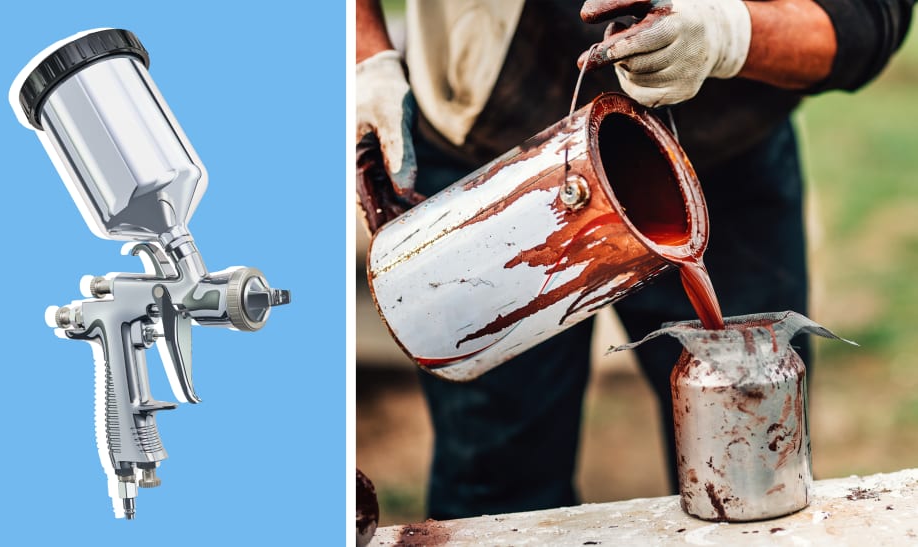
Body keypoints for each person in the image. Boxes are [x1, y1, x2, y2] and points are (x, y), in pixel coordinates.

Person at [357, 0, 914, 520]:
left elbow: (870, 15)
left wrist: (727, 32)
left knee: (751, 458)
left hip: (719, 161)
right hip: (489, 158)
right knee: (496, 478)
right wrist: (368, 61)